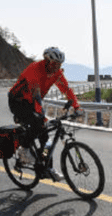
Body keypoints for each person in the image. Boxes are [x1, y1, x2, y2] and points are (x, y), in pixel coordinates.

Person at [8, 46, 83, 180]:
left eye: (59, 64)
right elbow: (36, 96)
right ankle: (24, 150)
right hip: (18, 101)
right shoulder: (35, 69)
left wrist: (77, 107)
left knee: (46, 139)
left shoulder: (57, 73)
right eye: (55, 64)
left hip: (32, 102)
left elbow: (66, 90)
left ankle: (48, 168)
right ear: (47, 61)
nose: (57, 67)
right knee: (38, 124)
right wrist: (41, 116)